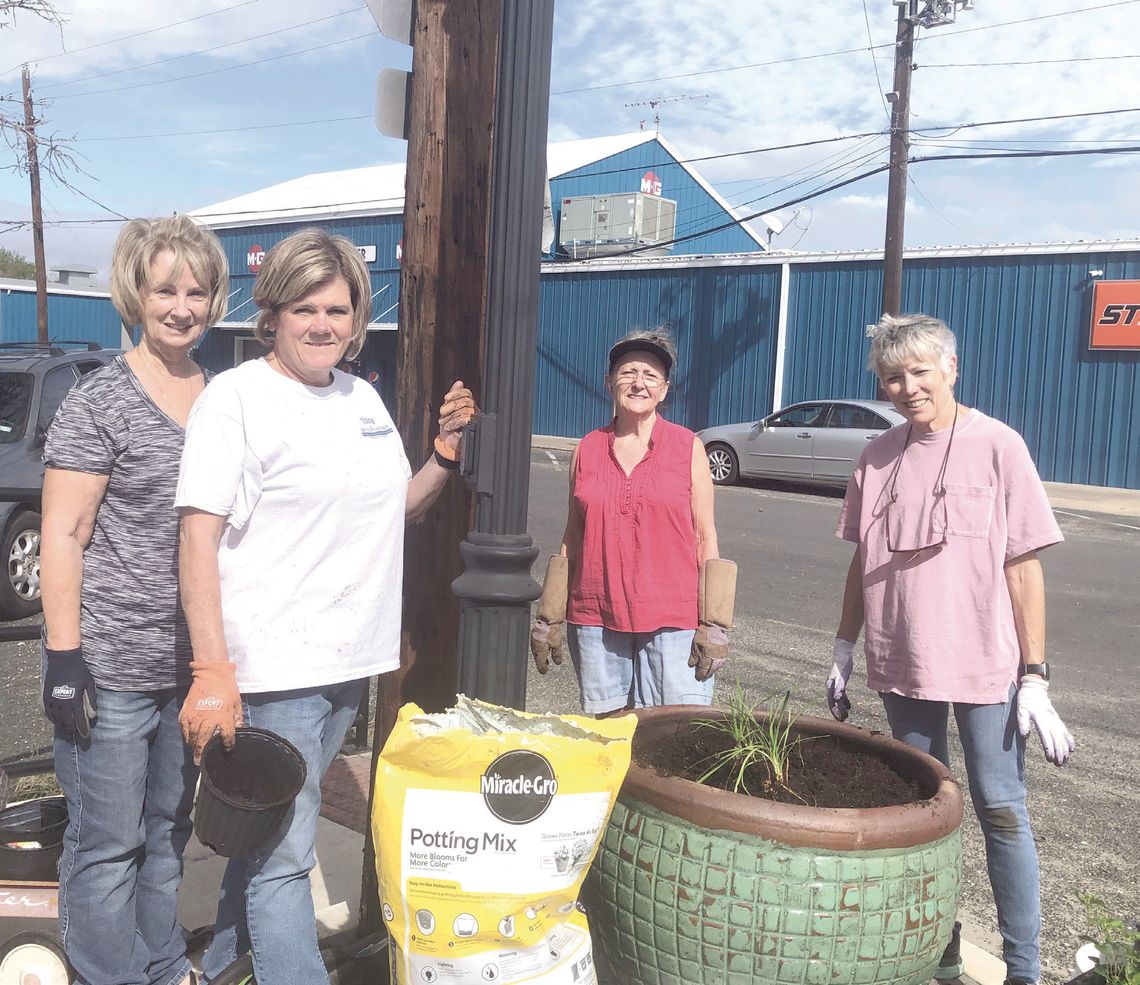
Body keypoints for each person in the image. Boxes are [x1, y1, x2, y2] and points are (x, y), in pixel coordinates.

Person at [174, 228, 475, 985]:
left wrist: (441, 455)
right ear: (270, 312)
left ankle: (221, 969)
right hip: (274, 669)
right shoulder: (235, 399)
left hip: (349, 662)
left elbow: (389, 512)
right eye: (304, 307)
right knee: (284, 856)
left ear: (356, 315)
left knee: (270, 832)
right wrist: (212, 669)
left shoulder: (362, 397)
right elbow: (197, 538)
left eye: (337, 308)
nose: (322, 324)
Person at [826, 312, 1075, 985]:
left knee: (999, 808)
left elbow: (1023, 566)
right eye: (892, 377)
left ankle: (1023, 970)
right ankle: (938, 954)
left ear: (950, 369)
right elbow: (861, 559)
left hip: (989, 667)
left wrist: (1035, 673)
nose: (907, 387)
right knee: (923, 817)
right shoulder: (876, 456)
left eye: (919, 372)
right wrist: (844, 644)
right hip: (902, 664)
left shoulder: (999, 446)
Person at [39, 214, 229, 985]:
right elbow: (62, 532)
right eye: (165, 289)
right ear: (135, 294)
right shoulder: (100, 403)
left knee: (167, 832)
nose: (181, 306)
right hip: (110, 668)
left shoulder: (223, 399)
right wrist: (62, 656)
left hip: (187, 670)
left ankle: (158, 963)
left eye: (196, 289)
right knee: (106, 842)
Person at [530, 328, 736, 714]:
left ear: (664, 389)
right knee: (607, 735)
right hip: (596, 618)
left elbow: (706, 538)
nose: (638, 383)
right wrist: (550, 614)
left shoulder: (687, 446)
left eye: (650, 375)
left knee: (673, 739)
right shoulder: (587, 450)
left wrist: (715, 623)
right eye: (627, 373)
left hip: (673, 621)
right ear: (609, 383)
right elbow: (573, 535)